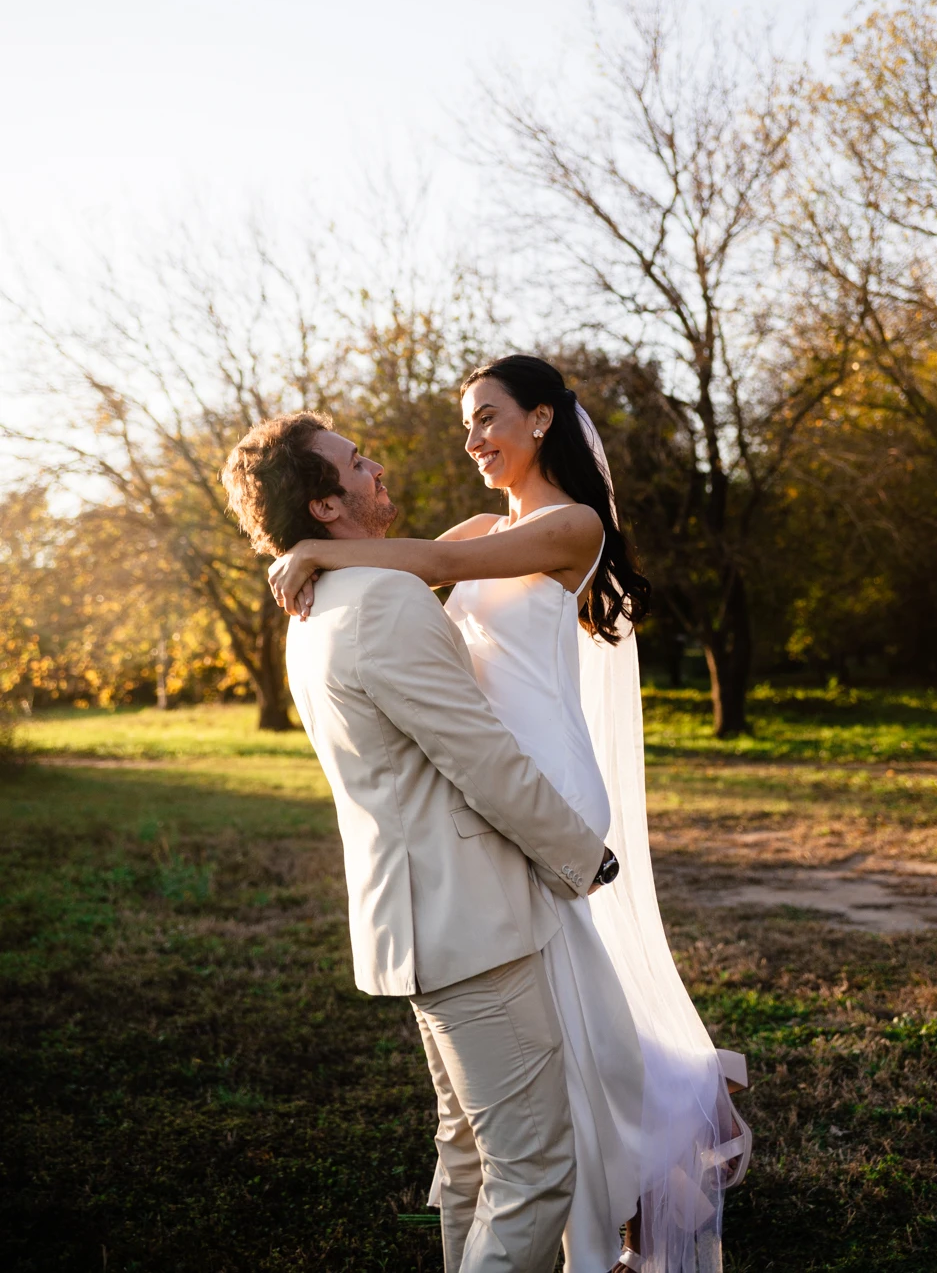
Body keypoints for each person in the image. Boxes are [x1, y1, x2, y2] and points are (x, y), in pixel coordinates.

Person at [268, 356, 751, 1273]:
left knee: (572, 1010)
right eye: (465, 425)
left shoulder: (571, 526)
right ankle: (612, 1174)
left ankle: (644, 1148)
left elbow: (438, 565)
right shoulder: (490, 522)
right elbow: (409, 579)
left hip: (549, 782)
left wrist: (321, 549)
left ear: (540, 420)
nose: (473, 438)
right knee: (567, 1019)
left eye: (488, 417)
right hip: (504, 779)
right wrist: (322, 557)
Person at [221, 411, 619, 1273]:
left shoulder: (314, 603)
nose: (376, 468)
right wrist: (583, 856)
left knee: (470, 1159)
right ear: (327, 507)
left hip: (412, 922)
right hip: (469, 924)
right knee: (533, 1174)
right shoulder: (384, 599)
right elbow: (477, 755)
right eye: (355, 464)